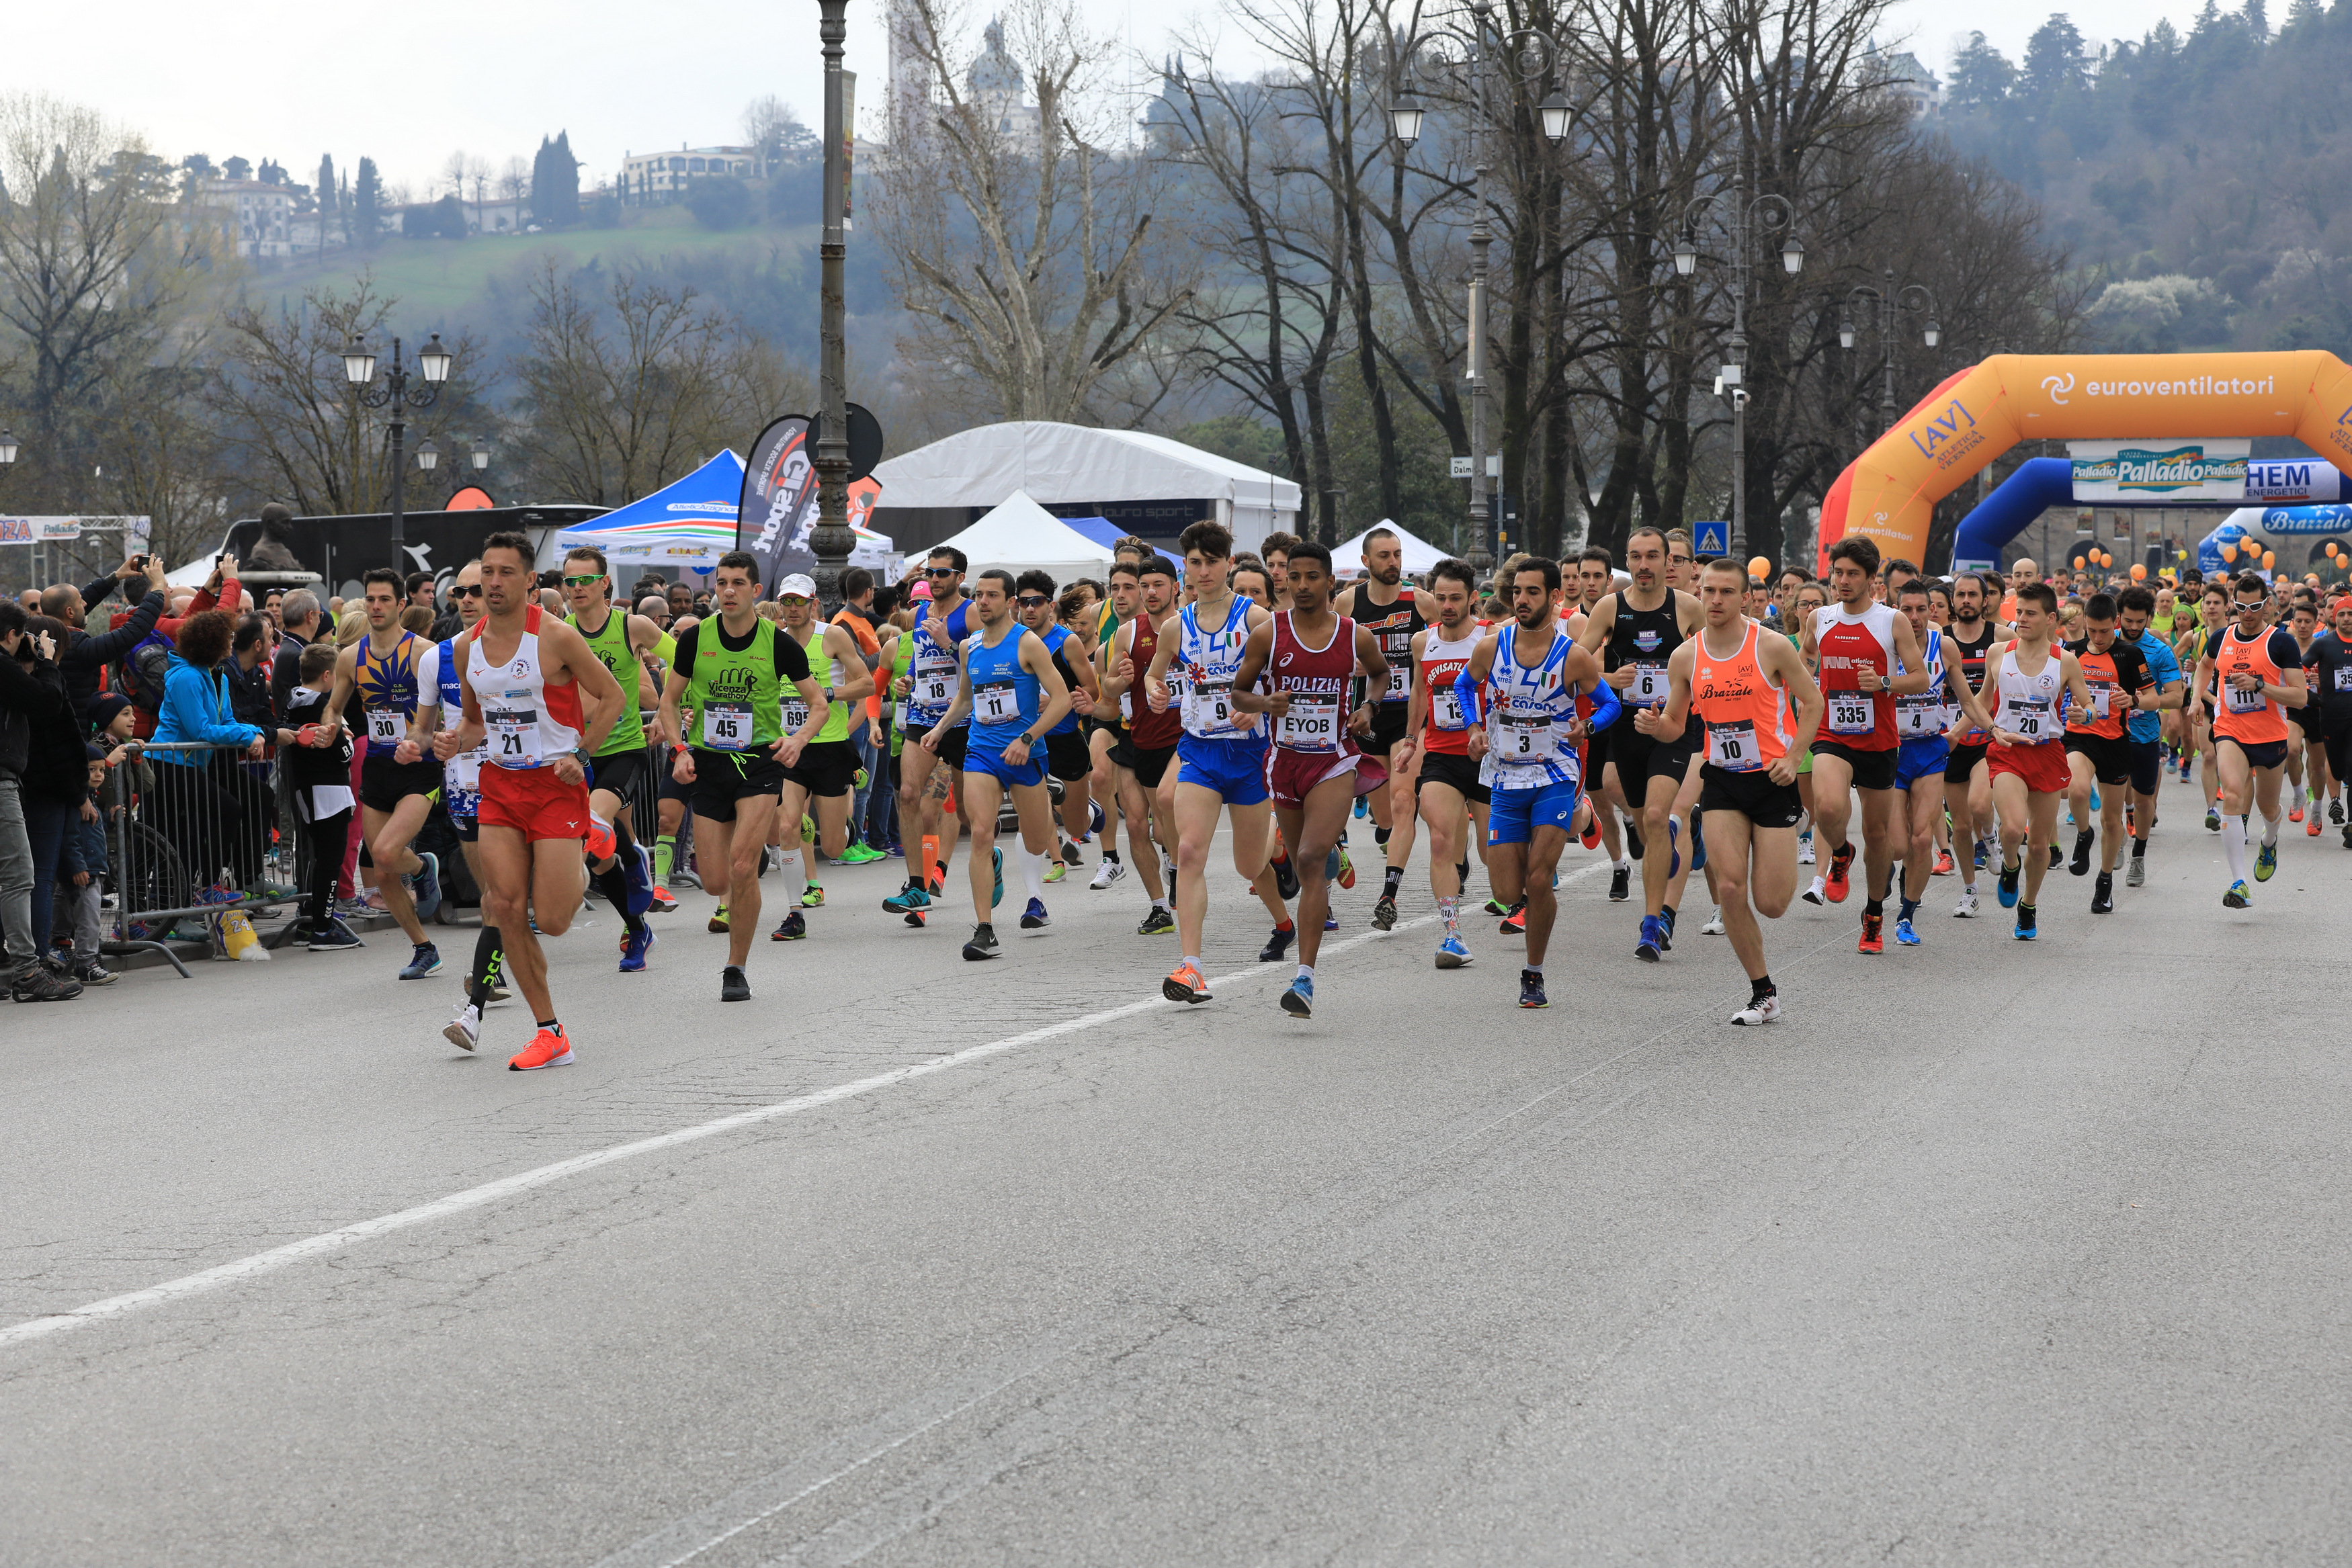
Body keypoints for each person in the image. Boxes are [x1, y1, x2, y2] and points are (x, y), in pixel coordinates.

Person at [431, 532, 626, 1067]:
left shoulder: (557, 638)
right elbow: (474, 723)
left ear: (529, 581)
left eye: (505, 573)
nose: (492, 583)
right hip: (499, 786)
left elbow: (613, 698)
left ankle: (591, 841)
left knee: (557, 919)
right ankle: (550, 1030)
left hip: (555, 787)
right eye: (485, 573)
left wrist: (583, 757)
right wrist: (453, 741)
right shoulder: (466, 647)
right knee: (507, 906)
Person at [1646, 558, 1823, 1022]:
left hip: (1772, 780)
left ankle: (1796, 825)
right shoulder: (1686, 657)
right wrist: (1654, 725)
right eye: (1709, 591)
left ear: (1745, 597)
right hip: (1722, 779)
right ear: (1699, 593)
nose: (1717, 600)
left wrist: (1791, 757)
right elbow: (1674, 727)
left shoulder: (1770, 646)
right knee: (1728, 887)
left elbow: (1813, 702)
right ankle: (1763, 991)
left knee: (1772, 903)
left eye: (1727, 592)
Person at [655, 552, 828, 999]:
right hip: (709, 764)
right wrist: (678, 750)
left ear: (755, 591)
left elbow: (819, 705)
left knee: (740, 866)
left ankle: (736, 967)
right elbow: (669, 702)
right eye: (721, 582)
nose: (727, 591)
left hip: (759, 764)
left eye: (737, 584)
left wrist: (798, 740)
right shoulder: (695, 640)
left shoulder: (778, 643)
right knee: (715, 881)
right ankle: (746, 872)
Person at [1228, 541, 1386, 1016]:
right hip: (1284, 762)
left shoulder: (1353, 635)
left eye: (1311, 577)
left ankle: (1305, 978)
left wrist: (1368, 707)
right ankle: (1332, 854)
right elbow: (1239, 693)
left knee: (1311, 858)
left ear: (1329, 581)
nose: (1300, 585)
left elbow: (1380, 675)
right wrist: (1263, 704)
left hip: (1334, 760)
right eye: (1292, 577)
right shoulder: (1268, 635)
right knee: (1300, 866)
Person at [1465, 558, 1613, 1007]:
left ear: (1553, 597)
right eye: (1517, 592)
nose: (1522, 600)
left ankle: (1533, 973)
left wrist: (1586, 729)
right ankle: (1555, 851)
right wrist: (1474, 728)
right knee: (1507, 891)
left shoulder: (1573, 656)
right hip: (1505, 776)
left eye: (1533, 592)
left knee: (1539, 876)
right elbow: (1460, 686)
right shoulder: (1492, 645)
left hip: (1554, 775)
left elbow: (1609, 706)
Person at [1149, 521, 1284, 1003]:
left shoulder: (1255, 619)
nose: (1203, 571)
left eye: (1211, 561)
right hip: (1201, 751)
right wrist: (1155, 691)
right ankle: (1191, 967)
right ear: (1185, 565)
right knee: (1188, 852)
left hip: (1249, 755)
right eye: (1194, 562)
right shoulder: (1174, 626)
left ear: (1229, 563)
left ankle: (1277, 841)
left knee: (1250, 865)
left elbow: (1285, 677)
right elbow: (1154, 675)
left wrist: (1260, 704)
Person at [919, 568, 1072, 960]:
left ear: (1011, 602)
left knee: (1037, 841)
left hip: (1025, 754)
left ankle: (1044, 808)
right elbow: (966, 700)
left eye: (991, 596)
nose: (982, 602)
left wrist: (1028, 738)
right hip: (982, 752)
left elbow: (1061, 699)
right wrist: (939, 729)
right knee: (981, 832)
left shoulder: (1028, 644)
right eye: (979, 595)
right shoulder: (970, 647)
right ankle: (985, 930)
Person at [1798, 535, 1935, 953]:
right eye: (1837, 573)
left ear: (1872, 579)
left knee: (1879, 837)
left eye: (1852, 574)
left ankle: (1874, 914)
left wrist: (1885, 683)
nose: (1842, 580)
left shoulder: (1891, 621)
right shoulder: (1819, 618)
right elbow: (1803, 659)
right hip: (1831, 734)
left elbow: (1920, 677)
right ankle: (1840, 852)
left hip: (1878, 740)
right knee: (1827, 807)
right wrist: (1803, 691)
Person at [1578, 527, 1701, 957]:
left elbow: (1713, 661)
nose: (1644, 565)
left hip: (1673, 727)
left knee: (1653, 815)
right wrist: (1608, 680)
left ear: (1667, 561)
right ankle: (1671, 843)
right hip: (1627, 730)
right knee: (1649, 830)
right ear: (1626, 563)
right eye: (1635, 557)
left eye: (1652, 556)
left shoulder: (1686, 607)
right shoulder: (1611, 607)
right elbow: (1576, 662)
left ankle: (1651, 925)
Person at [325, 568, 446, 979]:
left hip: (419, 767)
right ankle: (423, 947)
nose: (376, 607)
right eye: (371, 600)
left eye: (384, 600)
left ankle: (423, 868)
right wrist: (332, 726)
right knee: (381, 866)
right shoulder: (349, 656)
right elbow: (334, 706)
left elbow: (443, 710)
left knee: (387, 852)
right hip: (377, 765)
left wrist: (419, 739)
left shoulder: (424, 652)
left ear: (401, 605)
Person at [561, 546, 675, 959]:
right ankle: (637, 926)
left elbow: (685, 664)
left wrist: (668, 712)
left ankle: (633, 861)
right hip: (580, 755)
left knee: (592, 824)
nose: (577, 588)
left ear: (605, 583)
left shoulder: (634, 626)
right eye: (570, 581)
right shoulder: (560, 633)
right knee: (598, 854)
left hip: (626, 748)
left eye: (586, 580)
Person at [1976, 582, 2101, 939]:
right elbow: (1983, 700)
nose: (2022, 619)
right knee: (2014, 829)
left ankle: (2028, 906)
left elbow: (2090, 707)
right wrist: (1959, 733)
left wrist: (2084, 716)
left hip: (2047, 753)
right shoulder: (1998, 652)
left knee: (2040, 843)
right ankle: (2010, 867)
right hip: (2007, 752)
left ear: (2050, 619)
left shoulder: (2065, 660)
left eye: (2030, 614)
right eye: (2019, 613)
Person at [1335, 527, 1439, 930]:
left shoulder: (1422, 601)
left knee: (1401, 802)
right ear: (1366, 562)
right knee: (1384, 816)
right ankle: (1404, 835)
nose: (1393, 562)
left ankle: (1388, 896)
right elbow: (1326, 648)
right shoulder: (1348, 602)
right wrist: (1349, 663)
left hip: (1411, 717)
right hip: (1368, 716)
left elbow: (1454, 639)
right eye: (1384, 556)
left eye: (1397, 554)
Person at [2189, 572, 2309, 908]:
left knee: (2268, 808)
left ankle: (2269, 843)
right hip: (2230, 730)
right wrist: (2198, 698)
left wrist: (2260, 686)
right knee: (2232, 794)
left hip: (2270, 735)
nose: (2248, 612)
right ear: (2233, 604)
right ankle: (2238, 882)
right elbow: (2203, 668)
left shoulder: (2280, 642)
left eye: (2255, 605)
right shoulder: (2221, 637)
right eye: (2241, 606)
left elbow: (2300, 698)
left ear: (2268, 603)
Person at [1888, 580, 1997, 945]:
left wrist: (1994, 730)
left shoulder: (1943, 646)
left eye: (1923, 609)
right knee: (1898, 845)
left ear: (1933, 611)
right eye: (1908, 610)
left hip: (1930, 750)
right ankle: (1886, 878)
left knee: (1922, 840)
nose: (1916, 617)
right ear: (1896, 609)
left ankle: (1906, 915)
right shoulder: (1884, 645)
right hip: (1890, 751)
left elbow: (1968, 701)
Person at [769, 574, 874, 937]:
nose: (792, 609)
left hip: (829, 747)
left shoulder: (831, 635)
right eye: (786, 602)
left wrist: (827, 694)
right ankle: (795, 913)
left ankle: (844, 827)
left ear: (813, 603)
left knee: (833, 848)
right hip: (787, 747)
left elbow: (867, 684)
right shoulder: (771, 639)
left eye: (799, 601)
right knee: (787, 827)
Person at [1406, 558, 1491, 968]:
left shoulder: (1492, 639)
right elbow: (1420, 695)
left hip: (1489, 757)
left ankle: (1522, 898)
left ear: (1473, 598)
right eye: (1440, 598)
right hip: (1441, 754)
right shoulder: (1423, 642)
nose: (1447, 605)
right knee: (1440, 839)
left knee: (1498, 855)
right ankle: (1452, 934)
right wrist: (1410, 740)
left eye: (1456, 598)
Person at [883, 548, 974, 921]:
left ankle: (993, 854)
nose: (935, 579)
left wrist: (950, 645)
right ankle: (917, 886)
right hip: (922, 716)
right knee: (907, 794)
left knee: (971, 814)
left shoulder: (970, 612)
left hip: (964, 719)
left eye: (942, 573)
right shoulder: (919, 613)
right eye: (931, 573)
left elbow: (984, 659)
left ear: (959, 576)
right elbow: (920, 662)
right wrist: (906, 681)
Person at [1095, 556, 1180, 932]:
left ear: (1175, 587)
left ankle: (1177, 868)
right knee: (1139, 826)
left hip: (1185, 738)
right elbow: (1110, 691)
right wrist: (1123, 677)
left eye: (1157, 584)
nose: (1150, 592)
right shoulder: (1129, 633)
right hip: (1140, 736)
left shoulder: (1192, 626)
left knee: (1165, 819)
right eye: (1144, 585)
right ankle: (1159, 907)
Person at [2060, 592, 2156, 914]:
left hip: (2115, 742)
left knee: (2112, 819)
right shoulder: (2070, 652)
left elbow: (2154, 698)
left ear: (2115, 624)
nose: (2098, 638)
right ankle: (2084, 835)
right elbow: (2051, 692)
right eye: (2091, 631)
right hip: (2079, 739)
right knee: (2076, 788)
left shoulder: (2130, 654)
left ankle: (2104, 882)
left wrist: (2134, 701)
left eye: (2104, 631)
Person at [275, 640, 364, 953]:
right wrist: (346, 738)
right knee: (330, 857)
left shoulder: (292, 697)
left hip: (306, 785)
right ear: (328, 675)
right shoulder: (323, 704)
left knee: (320, 856)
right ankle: (323, 929)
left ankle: (312, 921)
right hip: (328, 789)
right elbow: (343, 752)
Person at [1014, 568, 1103, 877]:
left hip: (1065, 739)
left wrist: (1054, 701)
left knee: (1077, 825)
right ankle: (1039, 890)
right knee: (1033, 818)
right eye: (1023, 602)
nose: (1029, 609)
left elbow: (1092, 690)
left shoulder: (1066, 642)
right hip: (1029, 742)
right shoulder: (1012, 641)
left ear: (1051, 606)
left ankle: (1091, 810)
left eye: (1037, 602)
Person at [1940, 572, 2010, 915]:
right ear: (1952, 600)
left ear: (1986, 600)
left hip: (1986, 737)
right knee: (1961, 824)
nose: (1966, 600)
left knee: (1980, 804)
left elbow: (1991, 695)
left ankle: (1992, 838)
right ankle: (1970, 889)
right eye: (1960, 595)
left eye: (1973, 595)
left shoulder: (2001, 638)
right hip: (1951, 744)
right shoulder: (1940, 640)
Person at [2113, 584, 2187, 885]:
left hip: (2144, 735)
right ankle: (2115, 839)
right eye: (2127, 621)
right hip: (2109, 735)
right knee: (2112, 798)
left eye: (2139, 622)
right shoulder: (2105, 645)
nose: (2132, 627)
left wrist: (2139, 701)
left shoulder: (2160, 651)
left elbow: (2176, 697)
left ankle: (2139, 856)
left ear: (2150, 618)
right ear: (2119, 617)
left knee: (2144, 802)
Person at [2310, 598, 2352, 848]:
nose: (2347, 618)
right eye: (2342, 614)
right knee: (2337, 769)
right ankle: (2335, 801)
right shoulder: (2324, 644)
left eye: (2351, 613)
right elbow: (2297, 668)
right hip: (2331, 718)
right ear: (2333, 618)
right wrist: (2306, 691)